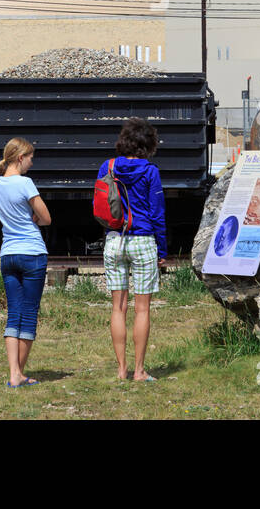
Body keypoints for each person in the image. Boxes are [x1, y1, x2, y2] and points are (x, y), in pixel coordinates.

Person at [99, 118, 167, 382]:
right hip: (142, 240)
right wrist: (162, 249)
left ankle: (120, 370)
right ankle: (139, 371)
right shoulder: (150, 171)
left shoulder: (108, 166)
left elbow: (102, 203)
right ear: (147, 144)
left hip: (115, 239)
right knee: (142, 309)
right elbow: (157, 213)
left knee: (118, 308)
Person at [0, 137, 50, 388]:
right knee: (29, 315)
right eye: (30, 158)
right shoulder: (26, 183)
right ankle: (19, 374)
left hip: (8, 254)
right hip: (32, 253)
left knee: (13, 313)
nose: (31, 163)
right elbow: (46, 218)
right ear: (20, 158)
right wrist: (33, 218)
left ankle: (14, 373)